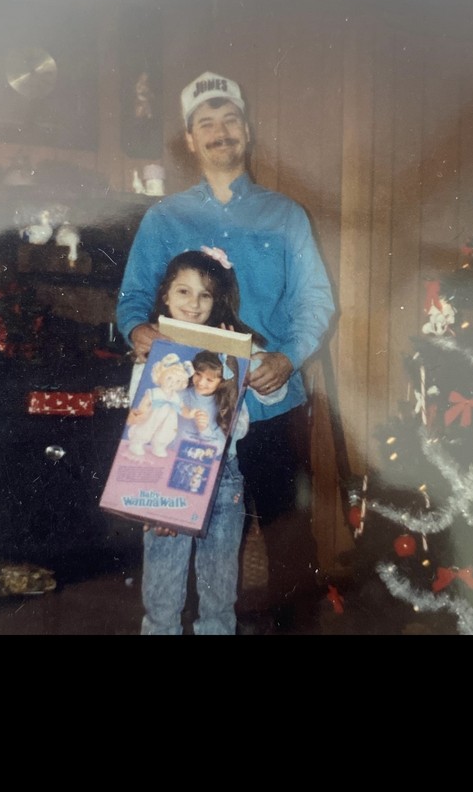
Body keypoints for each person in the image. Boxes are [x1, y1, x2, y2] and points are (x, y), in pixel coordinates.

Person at [117, 70, 335, 631]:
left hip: (269, 400)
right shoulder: (164, 218)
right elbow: (134, 299)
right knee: (172, 533)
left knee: (288, 536)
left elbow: (316, 301)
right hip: (188, 408)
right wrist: (137, 330)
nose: (220, 132)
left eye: (230, 119)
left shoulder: (286, 216)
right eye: (206, 123)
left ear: (247, 130)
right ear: (190, 140)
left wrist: (288, 357)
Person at [129, 248, 282, 636]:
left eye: (205, 295)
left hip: (223, 476)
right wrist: (152, 499)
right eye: (184, 291)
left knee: (219, 590)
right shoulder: (153, 348)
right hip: (167, 470)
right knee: (162, 591)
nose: (194, 304)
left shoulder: (235, 343)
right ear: (165, 295)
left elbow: (274, 393)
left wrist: (247, 362)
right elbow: (139, 422)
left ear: (218, 301)